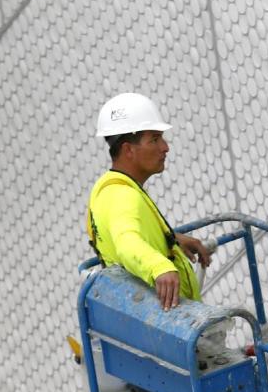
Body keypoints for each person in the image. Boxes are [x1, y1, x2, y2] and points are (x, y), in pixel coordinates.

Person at [87, 93, 210, 310]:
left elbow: (122, 233)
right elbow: (126, 243)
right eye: (154, 139)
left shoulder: (107, 187)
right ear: (128, 149)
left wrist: (168, 240)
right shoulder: (123, 196)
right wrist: (159, 265)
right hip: (164, 327)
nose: (165, 147)